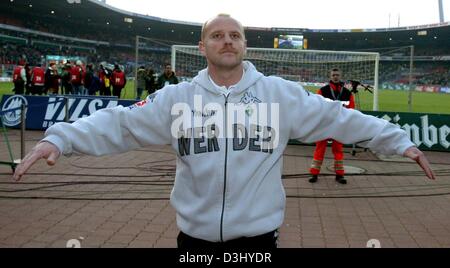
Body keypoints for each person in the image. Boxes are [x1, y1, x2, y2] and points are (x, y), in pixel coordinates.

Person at [13, 14, 435, 249]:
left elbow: (341, 118)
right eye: (217, 35)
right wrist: (61, 138)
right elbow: (120, 122)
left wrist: (399, 141)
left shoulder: (280, 94)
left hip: (258, 243)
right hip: (194, 243)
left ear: (245, 46)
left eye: (235, 35)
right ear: (202, 47)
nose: (227, 40)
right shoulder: (177, 98)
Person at [309, 68, 354, 184]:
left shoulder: (347, 93)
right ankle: (314, 173)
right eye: (333, 75)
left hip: (339, 125)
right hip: (324, 125)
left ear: (340, 76)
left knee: (338, 150)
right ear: (330, 76)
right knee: (320, 149)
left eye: (337, 75)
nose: (335, 77)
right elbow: (316, 107)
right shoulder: (322, 91)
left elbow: (351, 110)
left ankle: (340, 175)